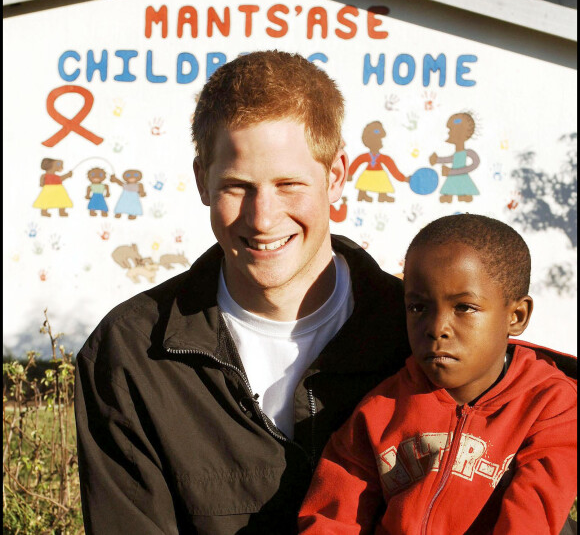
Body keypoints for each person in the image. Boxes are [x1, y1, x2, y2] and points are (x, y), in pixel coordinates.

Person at [74, 50, 410, 534]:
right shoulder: (130, 355)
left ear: (336, 175)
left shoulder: (418, 337)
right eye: (237, 186)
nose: (262, 218)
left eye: (289, 183)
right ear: (201, 181)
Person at [298, 213, 577, 535]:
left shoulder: (552, 405)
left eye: (464, 308)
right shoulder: (381, 408)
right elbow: (331, 518)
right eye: (418, 307)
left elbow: (532, 520)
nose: (436, 328)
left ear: (516, 315)